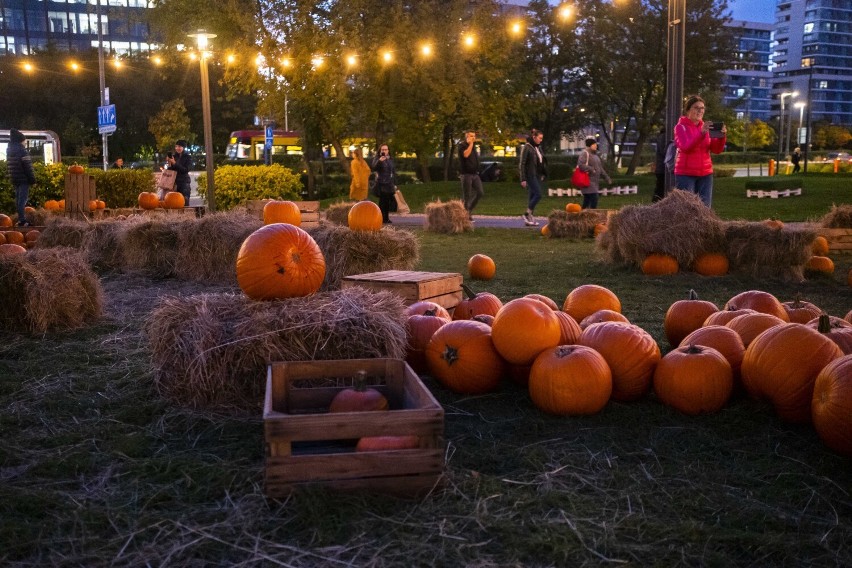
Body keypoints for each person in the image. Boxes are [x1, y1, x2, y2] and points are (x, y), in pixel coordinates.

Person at [673, 95, 726, 207]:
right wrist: (701, 133)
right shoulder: (680, 127)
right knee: (686, 209)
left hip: (705, 174)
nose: (700, 111)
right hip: (686, 174)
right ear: (688, 110)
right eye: (696, 107)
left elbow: (716, 150)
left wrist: (722, 136)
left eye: (702, 108)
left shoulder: (706, 128)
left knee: (705, 209)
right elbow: (686, 147)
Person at [6, 129, 36, 227]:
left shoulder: (10, 150)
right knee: (22, 200)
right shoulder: (22, 151)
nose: (24, 142)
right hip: (23, 179)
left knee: (18, 199)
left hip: (15, 178)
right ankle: (22, 221)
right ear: (20, 140)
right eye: (24, 140)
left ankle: (20, 219)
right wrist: (32, 180)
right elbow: (28, 167)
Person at [518, 128, 548, 226]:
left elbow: (541, 161)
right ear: (534, 137)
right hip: (530, 175)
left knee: (532, 196)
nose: (541, 140)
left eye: (542, 138)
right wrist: (523, 178)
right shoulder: (527, 147)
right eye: (539, 138)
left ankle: (530, 217)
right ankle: (527, 213)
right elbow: (522, 163)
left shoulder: (537, 147)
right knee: (538, 194)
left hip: (537, 174)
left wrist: (543, 173)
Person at [577, 137, 612, 210]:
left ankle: (582, 215)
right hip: (587, 181)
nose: (596, 146)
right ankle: (592, 215)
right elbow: (581, 165)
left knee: (587, 201)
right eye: (594, 144)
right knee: (594, 198)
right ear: (589, 145)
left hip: (594, 182)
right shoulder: (585, 154)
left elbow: (600, 168)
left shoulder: (596, 156)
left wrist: (606, 177)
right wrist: (591, 169)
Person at [458, 130, 483, 221]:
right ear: (467, 137)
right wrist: (471, 144)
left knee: (480, 192)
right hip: (466, 174)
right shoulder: (462, 145)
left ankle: (468, 211)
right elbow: (465, 155)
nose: (473, 138)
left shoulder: (473, 147)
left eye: (474, 136)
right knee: (467, 195)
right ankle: (465, 215)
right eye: (471, 136)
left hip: (475, 174)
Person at [371, 143, 396, 224]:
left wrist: (394, 182)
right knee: (382, 202)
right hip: (381, 183)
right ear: (380, 151)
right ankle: (381, 218)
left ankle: (386, 218)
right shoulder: (378, 158)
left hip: (389, 183)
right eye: (383, 149)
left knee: (388, 202)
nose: (384, 151)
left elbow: (393, 171)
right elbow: (374, 168)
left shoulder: (390, 159)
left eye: (386, 149)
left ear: (388, 151)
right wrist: (379, 161)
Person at [165, 139, 192, 205]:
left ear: (183, 147)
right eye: (176, 146)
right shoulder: (174, 156)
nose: (177, 148)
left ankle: (186, 215)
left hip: (184, 182)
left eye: (179, 146)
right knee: (174, 203)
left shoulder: (188, 157)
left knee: (184, 201)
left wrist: (175, 163)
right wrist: (169, 163)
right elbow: (171, 170)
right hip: (174, 182)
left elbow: (185, 170)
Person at [653, 128, 667, 202]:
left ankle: (657, 201)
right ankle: (656, 202)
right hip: (662, 168)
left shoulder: (662, 137)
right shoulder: (663, 137)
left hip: (661, 167)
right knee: (660, 188)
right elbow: (664, 151)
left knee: (660, 187)